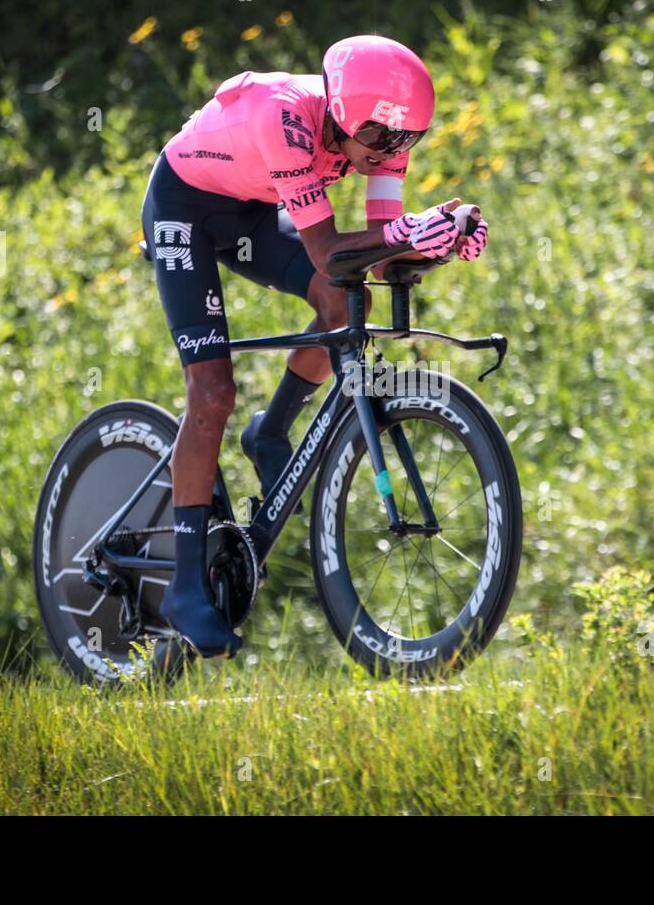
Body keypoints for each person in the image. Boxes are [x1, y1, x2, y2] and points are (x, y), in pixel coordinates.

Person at [140, 34, 490, 659]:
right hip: (184, 205)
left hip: (249, 205)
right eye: (385, 140)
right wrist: (412, 234)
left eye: (407, 141)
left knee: (341, 302)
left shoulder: (381, 136)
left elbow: (380, 256)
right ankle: (185, 584)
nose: (393, 153)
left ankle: (269, 433)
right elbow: (330, 253)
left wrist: (432, 244)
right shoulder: (287, 119)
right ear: (343, 116)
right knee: (213, 391)